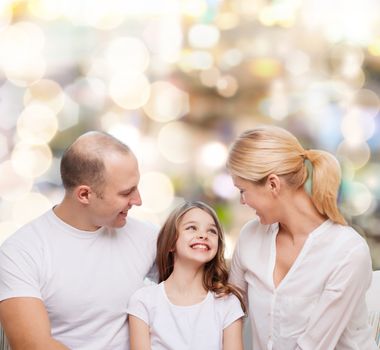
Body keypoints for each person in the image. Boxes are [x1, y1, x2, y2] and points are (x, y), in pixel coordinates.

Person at [0, 131, 158, 350]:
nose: (138, 200)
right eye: (126, 193)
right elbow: (33, 345)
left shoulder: (146, 237)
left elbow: (201, 288)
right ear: (84, 195)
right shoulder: (21, 252)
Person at [226, 125, 377, 350]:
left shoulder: (347, 252)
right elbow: (229, 312)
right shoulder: (250, 236)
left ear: (273, 184)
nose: (243, 201)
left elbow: (313, 346)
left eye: (242, 190)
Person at [127, 201, 245, 350]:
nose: (203, 235)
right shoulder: (143, 301)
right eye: (192, 228)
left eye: (212, 231)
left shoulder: (227, 303)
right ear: (170, 243)